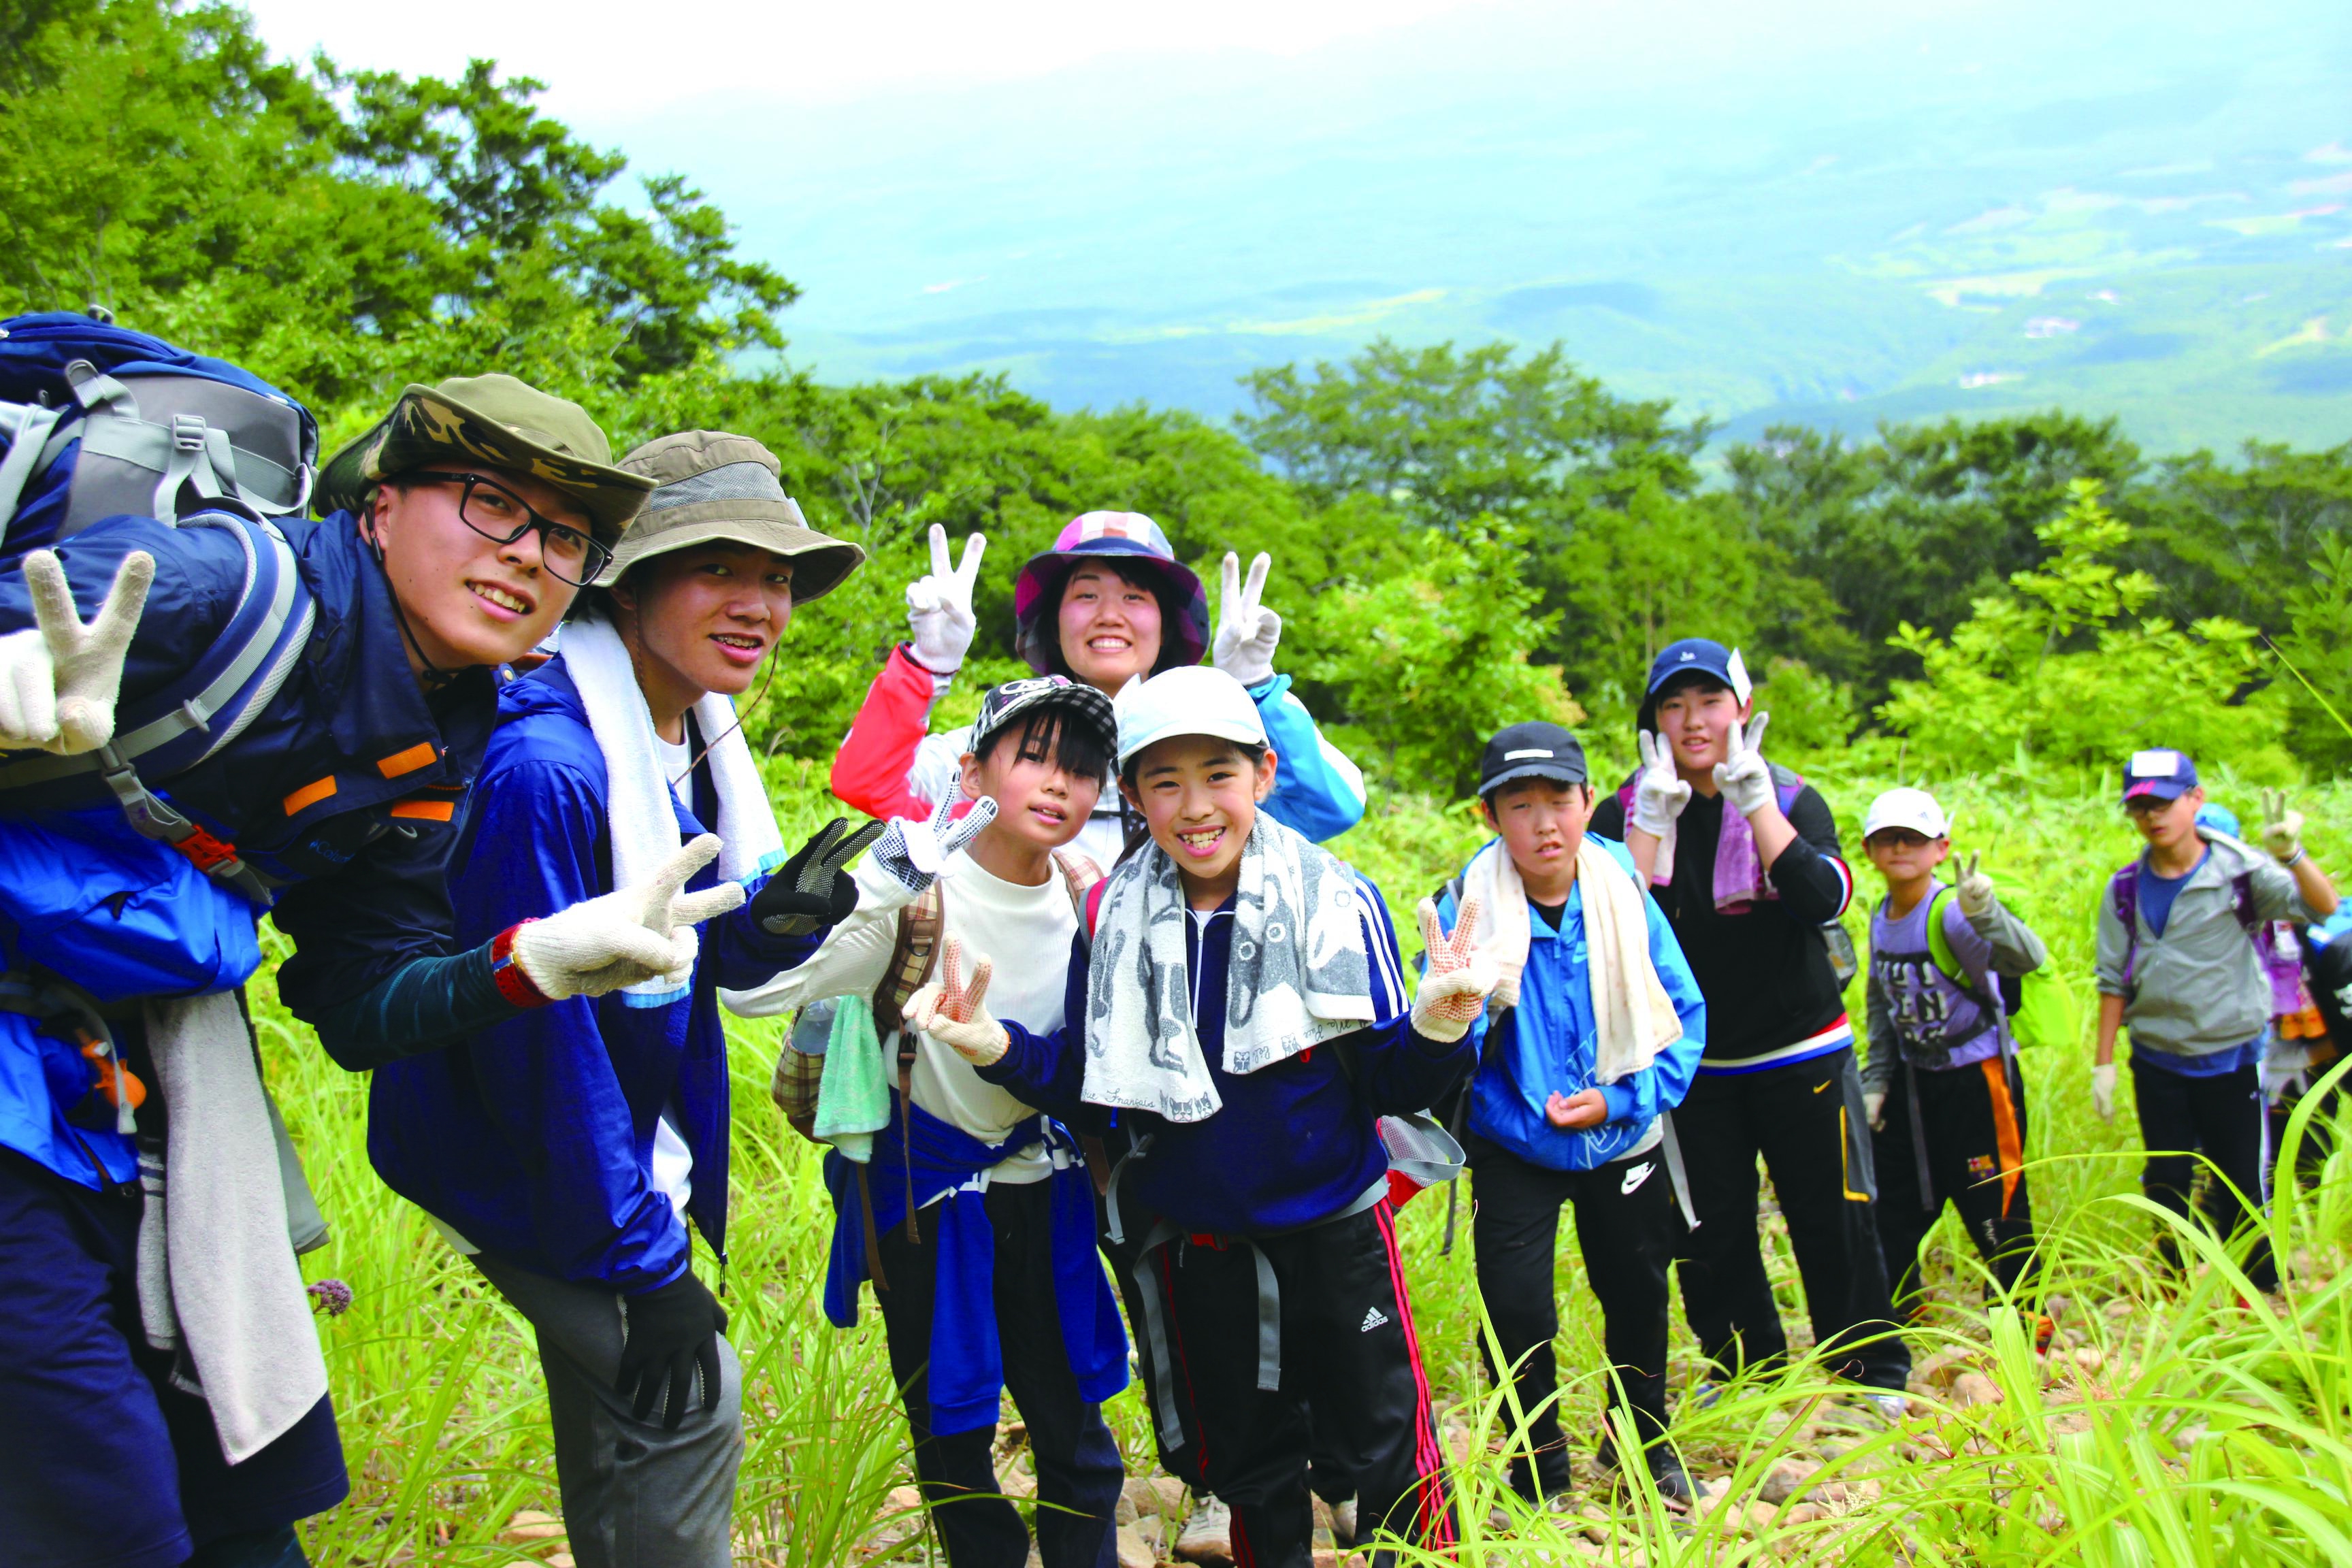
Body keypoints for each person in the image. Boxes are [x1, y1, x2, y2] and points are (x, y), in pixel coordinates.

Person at [0, 372, 738, 1568]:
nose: (527, 555)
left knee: (243, 1493)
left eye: (563, 537)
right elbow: (44, 623)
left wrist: (525, 965)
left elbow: (354, 1003)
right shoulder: (209, 587)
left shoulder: (440, 736)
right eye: (491, 504)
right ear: (380, 505)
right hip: (39, 1082)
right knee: (106, 1504)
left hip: (120, 1070)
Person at [362, 431, 894, 1568]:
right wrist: (646, 1263)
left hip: (593, 1130)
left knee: (619, 1409)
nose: (759, 602)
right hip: (515, 1141)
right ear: (631, 581)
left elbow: (693, 961)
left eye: (778, 575)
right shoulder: (548, 765)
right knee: (688, 1394)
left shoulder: (688, 730)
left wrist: (772, 920)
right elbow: (538, 1031)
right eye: (720, 568)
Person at [914, 666, 1486, 1568]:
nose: (1195, 806)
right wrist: (996, 1046)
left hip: (1336, 1230)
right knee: (1247, 1461)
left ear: (1262, 773)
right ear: (1134, 796)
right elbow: (1091, 1086)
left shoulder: (1335, 900)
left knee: (1387, 1449)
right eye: (1164, 780)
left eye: (1218, 774)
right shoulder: (1112, 916)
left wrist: (1441, 1027)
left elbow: (1387, 1083)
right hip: (1199, 1247)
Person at [731, 677, 1130, 1568]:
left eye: (1082, 766)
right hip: (926, 1202)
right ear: (971, 767)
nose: (1061, 783)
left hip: (1048, 1192)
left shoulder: (1091, 904)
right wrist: (873, 886)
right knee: (950, 1430)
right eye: (1034, 757)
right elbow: (754, 993)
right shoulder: (920, 899)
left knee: (1072, 1423)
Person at [1586, 638, 1910, 1416]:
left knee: (1834, 1210)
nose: (1693, 721)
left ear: (1742, 709)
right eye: (1673, 704)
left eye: (1708, 702)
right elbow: (1614, 927)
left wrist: (1756, 804)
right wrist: (1650, 824)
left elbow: (1823, 899)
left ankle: (1869, 1367)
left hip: (1801, 1046)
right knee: (1707, 1226)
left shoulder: (1791, 796)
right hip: (1692, 1064)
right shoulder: (1624, 810)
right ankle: (1744, 1366)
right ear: (1653, 718)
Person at [1431, 722, 1705, 1509]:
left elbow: (1683, 1017)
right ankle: (1538, 1463)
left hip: (1624, 1133)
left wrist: (1621, 1099)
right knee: (1515, 1303)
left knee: (1638, 1291)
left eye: (1560, 799)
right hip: (1516, 1139)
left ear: (1592, 802)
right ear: (1490, 816)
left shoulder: (1623, 894)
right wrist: (1456, 1008)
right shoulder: (1468, 907)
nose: (1544, 823)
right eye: (1520, 805)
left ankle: (1642, 1442)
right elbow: (1442, 1045)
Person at [829, 514, 1367, 864]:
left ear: (1166, 624)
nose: (1110, 616)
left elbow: (1331, 805)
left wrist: (1258, 690)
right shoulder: (1000, 748)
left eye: (1135, 598)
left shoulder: (1202, 752)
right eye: (1086, 595)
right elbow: (867, 782)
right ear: (1054, 621)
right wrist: (925, 666)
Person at [2091, 753, 2338, 1294]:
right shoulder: (2126, 887)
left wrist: (2292, 855)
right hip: (2156, 1055)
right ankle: (2173, 1284)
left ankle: (2259, 1288)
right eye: (2141, 806)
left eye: (2164, 802)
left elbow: (2322, 907)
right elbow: (2113, 977)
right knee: (2167, 1179)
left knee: (2241, 1179)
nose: (2153, 816)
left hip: (2232, 1055)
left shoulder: (2242, 872)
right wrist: (2103, 1063)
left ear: (2195, 799)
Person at [1855, 788, 2050, 1330]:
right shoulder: (1881, 914)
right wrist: (1876, 1082)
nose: (1899, 849)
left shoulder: (1951, 912)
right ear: (1869, 850)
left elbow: (2027, 957)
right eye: (1887, 839)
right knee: (1895, 1203)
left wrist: (1986, 913)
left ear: (1941, 848)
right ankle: (1903, 1312)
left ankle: (2025, 1327)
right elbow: (1882, 1003)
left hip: (1977, 1080)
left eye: (1913, 839)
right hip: (1914, 1084)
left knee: (1995, 1203)